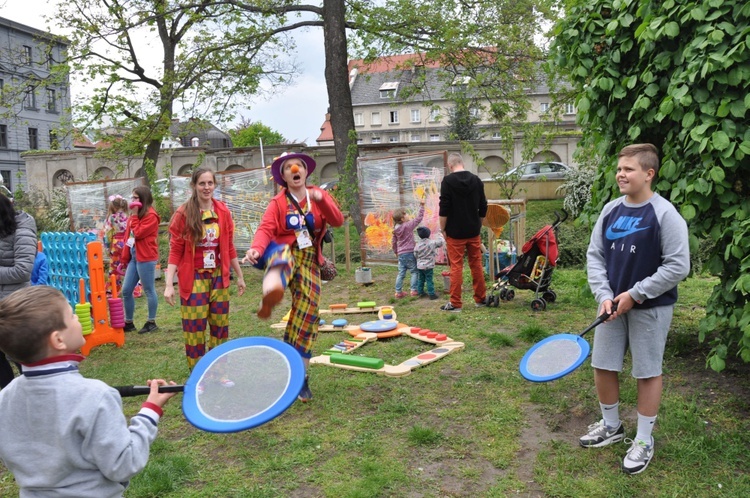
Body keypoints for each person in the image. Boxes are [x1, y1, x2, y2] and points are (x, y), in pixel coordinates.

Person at [0, 286, 176, 496]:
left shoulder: (5, 398)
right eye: (71, 314)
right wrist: (150, 410)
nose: (79, 317)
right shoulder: (95, 395)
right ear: (58, 340)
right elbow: (123, 464)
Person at [580, 143, 689, 475]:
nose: (620, 174)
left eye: (628, 169)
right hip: (610, 307)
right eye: (619, 169)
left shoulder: (665, 214)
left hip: (650, 309)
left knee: (647, 371)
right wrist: (604, 294)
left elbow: (678, 266)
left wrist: (636, 294)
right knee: (603, 364)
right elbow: (595, 256)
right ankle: (612, 426)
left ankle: (643, 440)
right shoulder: (611, 209)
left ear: (648, 174)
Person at [243, 152, 344, 402]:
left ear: (305, 172)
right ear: (284, 176)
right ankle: (272, 291)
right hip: (283, 253)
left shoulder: (318, 196)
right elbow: (266, 228)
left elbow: (338, 220)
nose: (294, 169)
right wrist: (256, 248)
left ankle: (299, 377)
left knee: (308, 314)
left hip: (310, 259)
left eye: (297, 166)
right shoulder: (277, 202)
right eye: (288, 167)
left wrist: (323, 199)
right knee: (283, 259)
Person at [164, 168, 247, 372]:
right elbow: (175, 251)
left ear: (215, 185)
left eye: (210, 183)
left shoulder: (223, 211)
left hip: (218, 277)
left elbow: (229, 247)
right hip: (193, 279)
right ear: (194, 186)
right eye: (202, 183)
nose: (206, 187)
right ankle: (198, 377)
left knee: (220, 328)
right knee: (195, 330)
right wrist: (168, 284)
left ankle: (218, 374)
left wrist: (240, 276)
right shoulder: (183, 214)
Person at [438, 152, 488, 312]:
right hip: (473, 231)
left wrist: (443, 229)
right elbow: (483, 206)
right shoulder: (476, 180)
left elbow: (444, 208)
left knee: (456, 267)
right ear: (462, 164)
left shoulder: (447, 181)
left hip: (455, 232)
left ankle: (455, 304)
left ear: (449, 166)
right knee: (476, 264)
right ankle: (481, 299)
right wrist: (477, 224)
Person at [0, 194, 37, 388]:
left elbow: (22, 271)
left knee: (20, 357)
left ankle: (33, 396)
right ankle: (8, 399)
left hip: (15, 304)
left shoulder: (23, 229)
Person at [120, 185, 161, 334]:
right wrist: (124, 258)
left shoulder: (151, 216)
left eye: (135, 198)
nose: (132, 201)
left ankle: (151, 322)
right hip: (134, 257)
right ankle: (129, 322)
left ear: (143, 199)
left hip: (146, 257)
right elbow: (128, 238)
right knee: (126, 290)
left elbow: (137, 233)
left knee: (149, 289)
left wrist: (135, 216)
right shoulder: (133, 216)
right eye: (131, 197)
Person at [391, 200, 425, 298]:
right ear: (402, 218)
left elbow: (393, 242)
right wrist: (422, 206)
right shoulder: (408, 225)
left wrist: (396, 251)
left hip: (401, 254)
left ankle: (398, 292)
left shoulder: (395, 229)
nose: (407, 215)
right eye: (405, 214)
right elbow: (418, 219)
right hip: (410, 252)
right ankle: (414, 290)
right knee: (414, 271)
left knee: (401, 273)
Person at [104, 194, 129, 295]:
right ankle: (135, 290)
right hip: (127, 243)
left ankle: (113, 290)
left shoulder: (111, 218)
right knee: (129, 266)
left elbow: (107, 234)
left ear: (113, 207)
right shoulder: (128, 216)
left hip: (116, 243)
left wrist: (107, 248)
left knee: (114, 267)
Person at [414, 226, 444, 300]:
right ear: (428, 234)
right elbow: (441, 243)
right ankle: (431, 294)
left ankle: (420, 292)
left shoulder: (417, 244)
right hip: (429, 266)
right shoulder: (432, 243)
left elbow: (415, 254)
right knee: (429, 279)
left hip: (420, 266)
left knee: (421, 279)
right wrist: (440, 234)